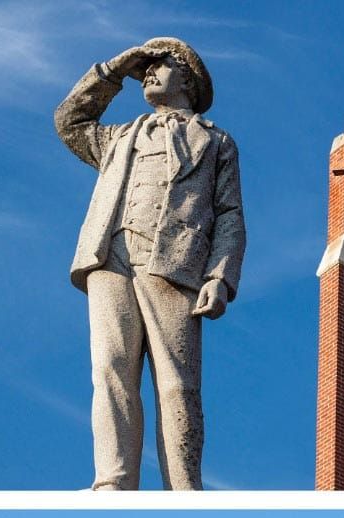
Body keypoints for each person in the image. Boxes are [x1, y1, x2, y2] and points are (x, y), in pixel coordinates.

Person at [55, 38, 246, 490]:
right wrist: (114, 69)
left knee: (177, 384)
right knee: (111, 370)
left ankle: (184, 488)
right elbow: (69, 121)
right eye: (147, 68)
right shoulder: (119, 136)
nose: (150, 74)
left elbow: (230, 215)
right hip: (110, 256)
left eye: (160, 65)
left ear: (188, 78)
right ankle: (113, 482)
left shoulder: (216, 141)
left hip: (174, 264)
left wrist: (220, 276)